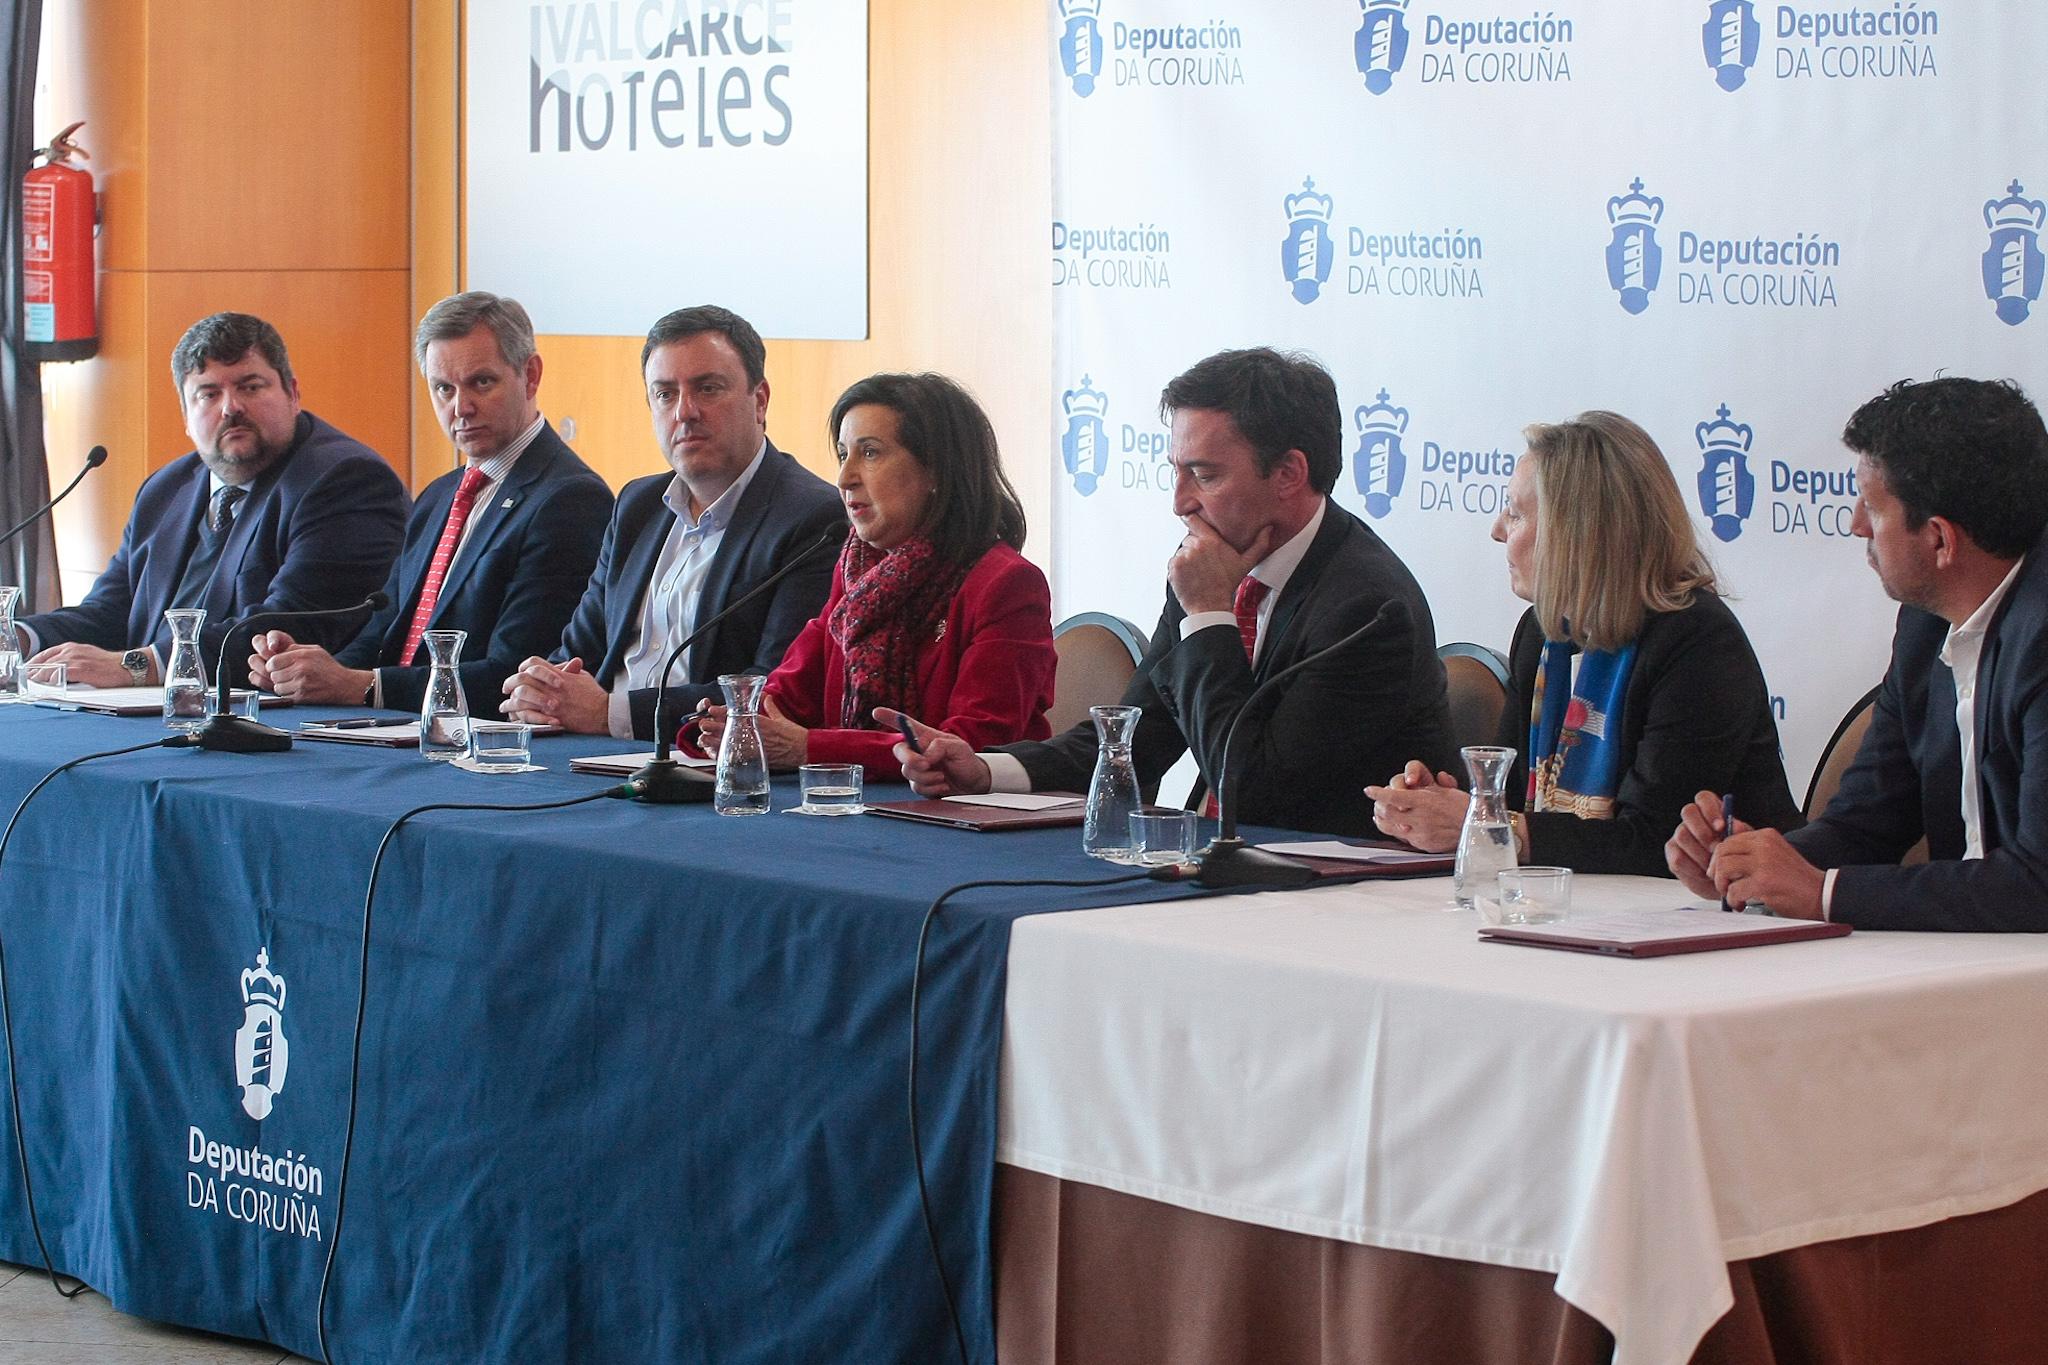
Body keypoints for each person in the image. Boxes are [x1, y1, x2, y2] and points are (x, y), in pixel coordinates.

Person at [896, 347, 1454, 838]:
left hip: (1337, 889)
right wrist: (986, 770)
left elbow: (1253, 791)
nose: (1180, 502)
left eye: (1204, 475)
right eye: (1176, 472)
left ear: (1288, 473)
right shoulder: (1213, 564)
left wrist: (1209, 613)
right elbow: (1136, 738)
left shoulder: (1368, 608)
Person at [1668, 377, 2048, 931]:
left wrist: (1822, 893)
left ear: (1939, 539)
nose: (1854, 523)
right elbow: (1866, 824)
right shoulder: (1924, 626)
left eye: (1871, 505)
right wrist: (1753, 866)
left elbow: (2039, 884)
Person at [1367, 411, 1801, 875]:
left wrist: (1487, 826)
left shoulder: (1697, 642)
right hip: (1576, 900)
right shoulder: (1542, 632)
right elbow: (1511, 802)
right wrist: (1443, 806)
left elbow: (1657, 840)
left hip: (1723, 905)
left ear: (1575, 533)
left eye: (1515, 513)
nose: (1497, 530)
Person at [244, 292, 612, 711]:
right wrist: (305, 673)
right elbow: (382, 635)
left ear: (530, 376)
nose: (461, 407)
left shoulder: (569, 499)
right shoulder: (439, 495)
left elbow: (517, 674)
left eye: (481, 382)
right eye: (443, 388)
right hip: (392, 728)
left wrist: (362, 686)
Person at [499, 305, 844, 739]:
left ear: (759, 401)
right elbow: (577, 652)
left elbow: (771, 690)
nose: (685, 411)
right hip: (591, 751)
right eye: (665, 394)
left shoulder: (814, 518)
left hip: (700, 761)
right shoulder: (637, 505)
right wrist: (543, 691)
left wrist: (610, 714)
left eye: (708, 389)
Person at [16, 312, 408, 687]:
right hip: (153, 709)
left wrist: (136, 666)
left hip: (269, 717)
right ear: (185, 416)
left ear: (292, 394)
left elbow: (290, 626)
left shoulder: (346, 480)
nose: (230, 407)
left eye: (250, 387)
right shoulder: (164, 490)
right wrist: (20, 637)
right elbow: (111, 612)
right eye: (208, 394)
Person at [696, 373, 1055, 779]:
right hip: (854, 800)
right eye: (842, 454)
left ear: (936, 471)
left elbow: (974, 743)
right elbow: (786, 697)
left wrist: (809, 748)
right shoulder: (858, 574)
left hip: (967, 810)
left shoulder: (1007, 584)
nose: (844, 478)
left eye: (869, 453)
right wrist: (729, 725)